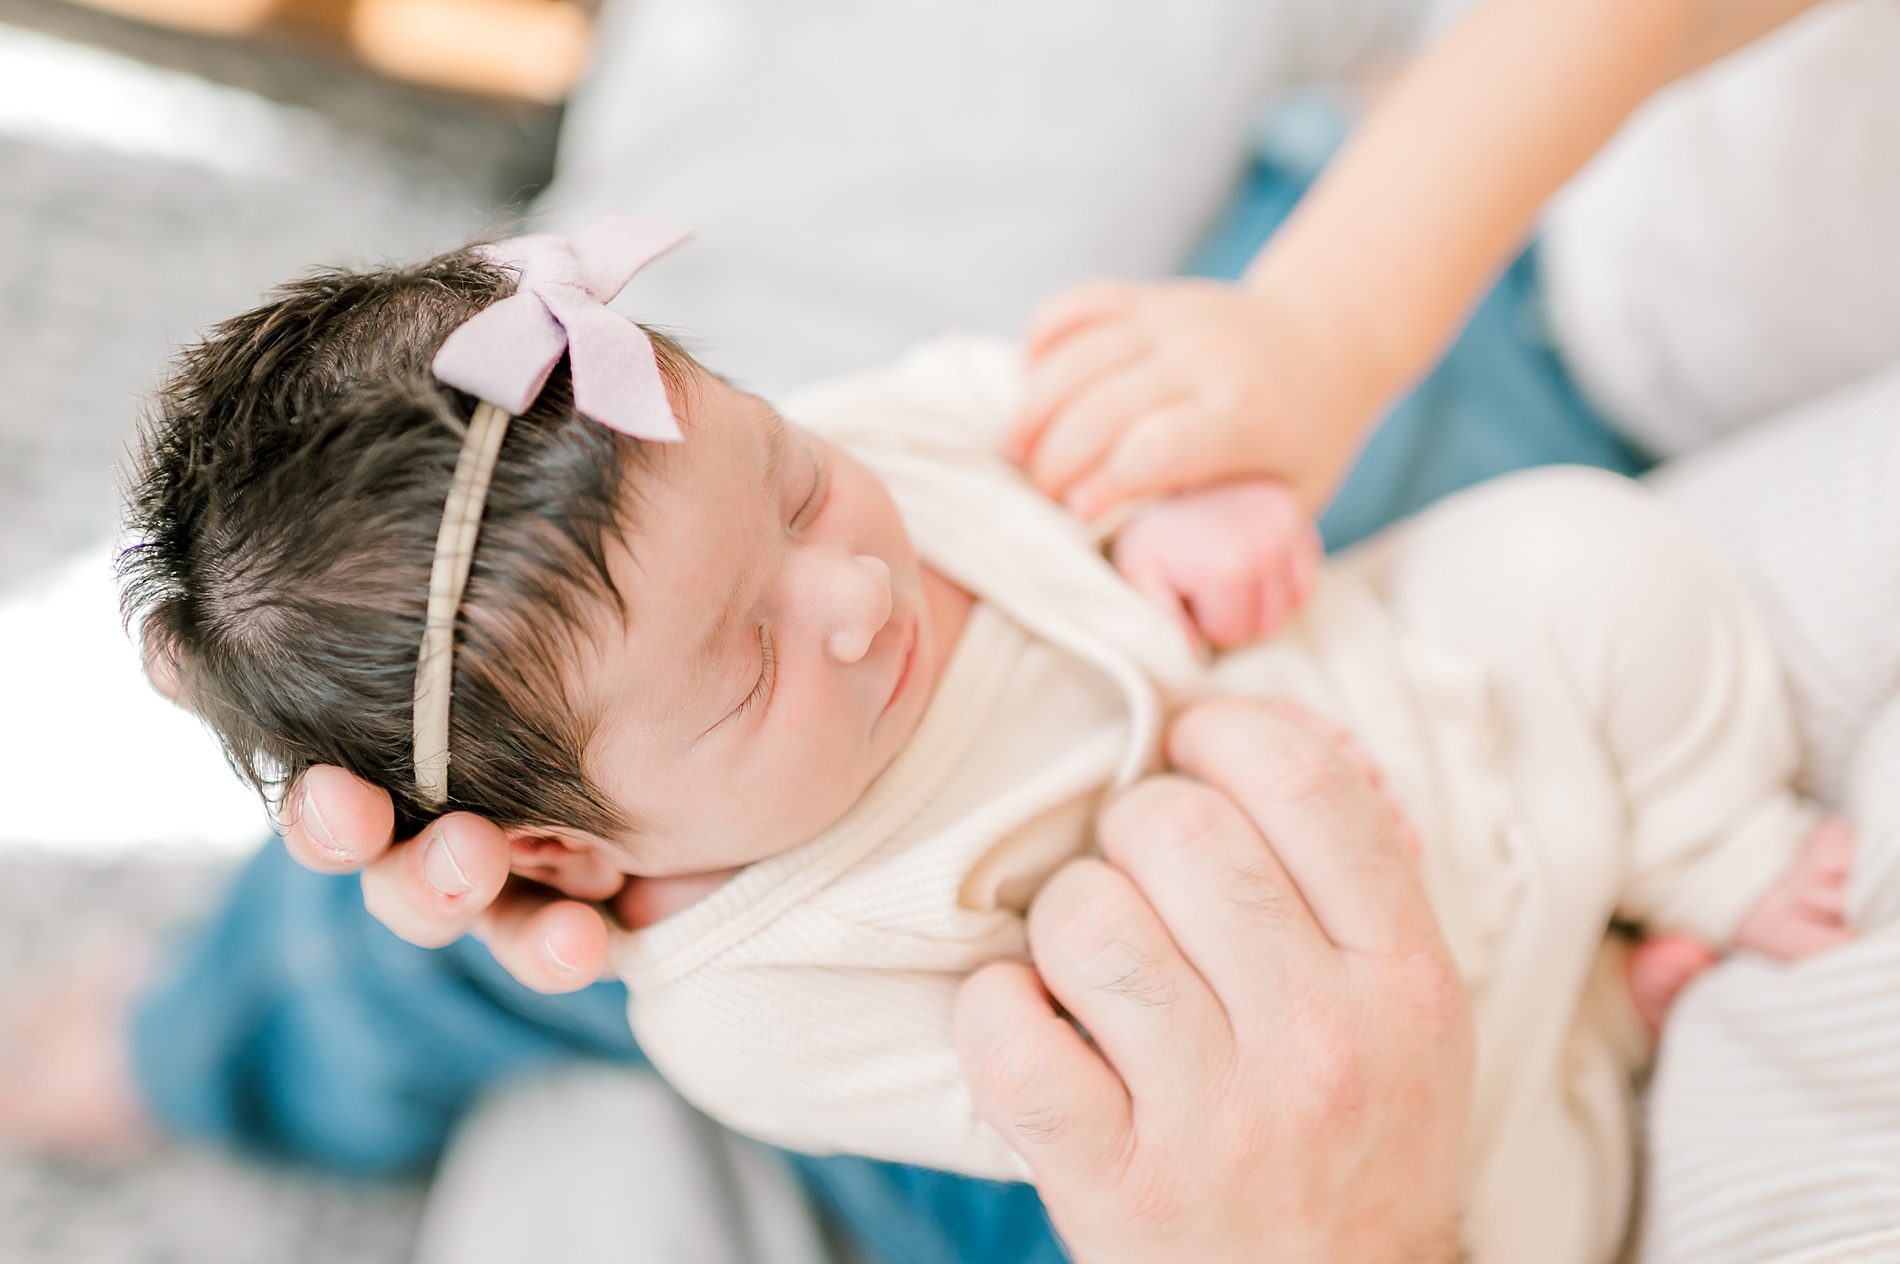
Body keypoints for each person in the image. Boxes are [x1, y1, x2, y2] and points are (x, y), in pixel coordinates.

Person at [125, 205, 1852, 1255]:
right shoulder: (760, 1002)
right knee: (1527, 1209)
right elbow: (1135, 1117)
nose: (858, 595)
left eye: (796, 486)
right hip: (1333, 1026)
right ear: (573, 855)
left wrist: (1174, 489)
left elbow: (1028, 402)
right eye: (744, 668)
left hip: (1402, 699)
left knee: (1576, 552)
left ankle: (1715, 845)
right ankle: (1593, 1040)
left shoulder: (854, 479)